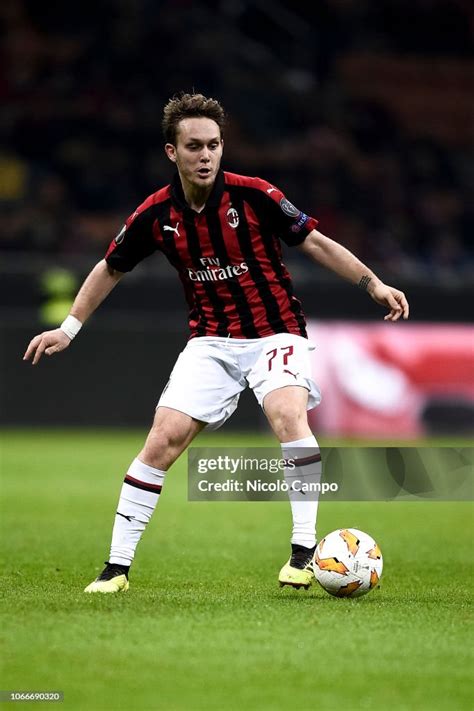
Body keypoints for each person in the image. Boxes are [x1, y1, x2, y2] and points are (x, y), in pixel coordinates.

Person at [23, 93, 409, 594]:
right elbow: (110, 267)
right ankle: (115, 569)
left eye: (213, 145)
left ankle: (303, 552)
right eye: (193, 146)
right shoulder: (156, 214)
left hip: (277, 331)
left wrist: (373, 284)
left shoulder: (255, 196)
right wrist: (68, 328)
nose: (205, 155)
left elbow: (314, 241)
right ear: (172, 152)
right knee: (161, 443)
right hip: (210, 342)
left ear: (223, 147)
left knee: (288, 414)